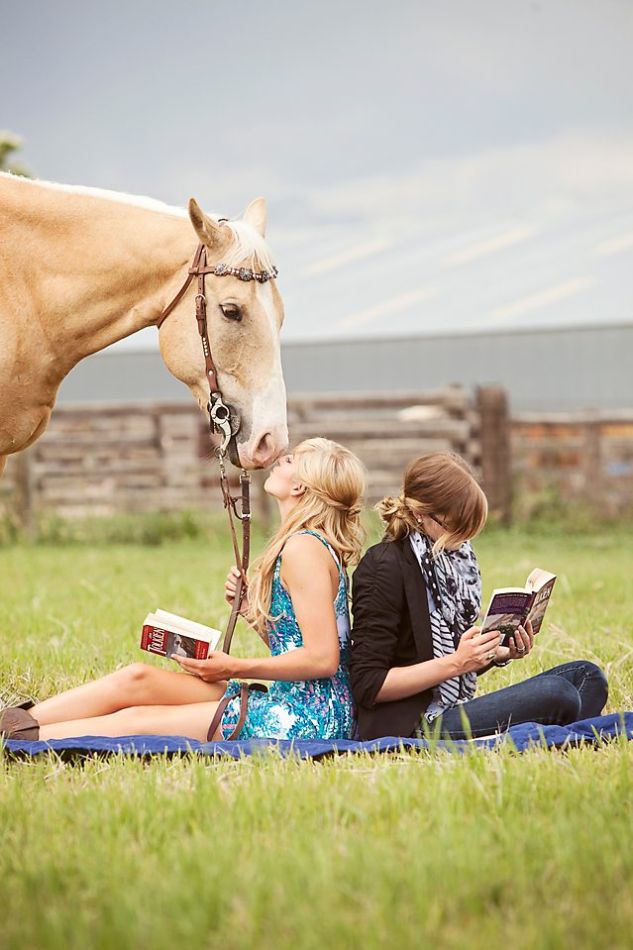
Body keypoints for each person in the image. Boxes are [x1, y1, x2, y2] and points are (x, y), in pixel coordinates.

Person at [1, 438, 365, 744]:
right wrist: (249, 611)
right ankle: (16, 721)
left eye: (289, 460)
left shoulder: (304, 549)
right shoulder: (304, 544)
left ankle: (22, 741)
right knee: (137, 679)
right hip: (293, 698)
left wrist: (234, 666)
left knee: (139, 720)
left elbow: (322, 659)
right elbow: (294, 646)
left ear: (300, 487)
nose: (278, 460)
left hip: (307, 718)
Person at [350, 452, 608, 741]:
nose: (463, 540)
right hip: (417, 722)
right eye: (456, 528)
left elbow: (454, 659)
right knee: (558, 694)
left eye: (469, 530)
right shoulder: (384, 566)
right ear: (421, 513)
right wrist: (458, 662)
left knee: (588, 676)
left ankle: (546, 732)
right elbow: (368, 685)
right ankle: (550, 732)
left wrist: (497, 654)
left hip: (452, 706)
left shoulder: (450, 563)